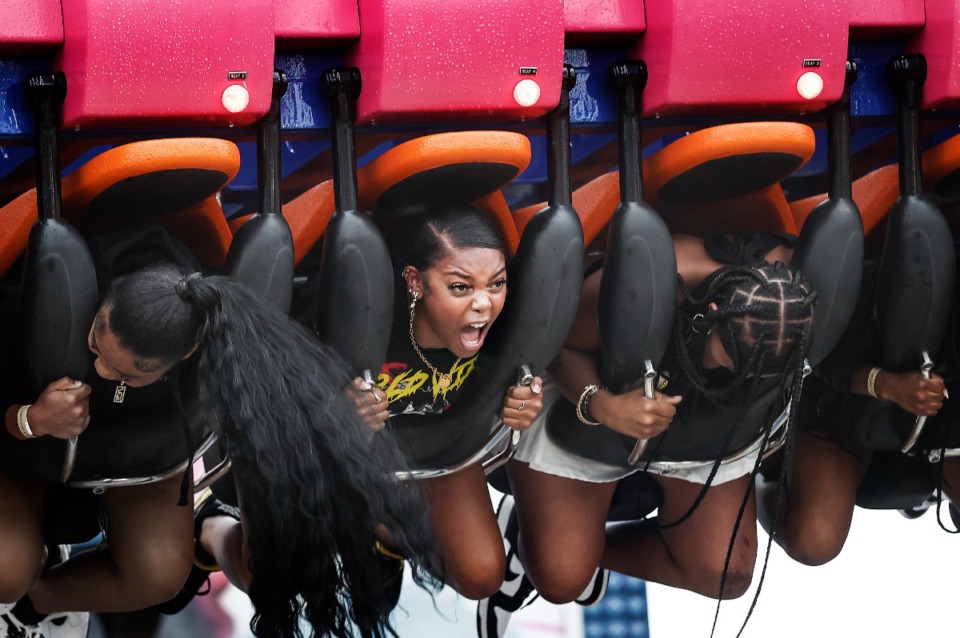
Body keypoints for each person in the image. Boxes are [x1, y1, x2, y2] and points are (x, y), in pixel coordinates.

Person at [0, 256, 441, 638]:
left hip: (144, 459)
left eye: (127, 373)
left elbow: (283, 412)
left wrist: (342, 415)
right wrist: (27, 419)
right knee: (6, 570)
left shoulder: (216, 348)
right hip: (22, 451)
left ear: (186, 354)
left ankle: (36, 606)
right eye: (96, 342)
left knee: (159, 574)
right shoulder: (42, 301)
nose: (99, 366)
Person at [478, 232, 815, 638]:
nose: (741, 374)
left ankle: (595, 549)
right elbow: (552, 342)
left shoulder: (791, 305)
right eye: (733, 360)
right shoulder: (648, 287)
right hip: (588, 399)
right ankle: (528, 531)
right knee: (561, 578)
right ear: (712, 311)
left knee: (727, 573)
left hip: (706, 427)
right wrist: (603, 405)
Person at [757, 260, 953, 566]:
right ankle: (768, 470)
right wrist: (887, 384)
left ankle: (755, 477)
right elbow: (811, 351)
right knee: (813, 538)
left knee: (813, 541)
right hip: (839, 381)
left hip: (921, 433)